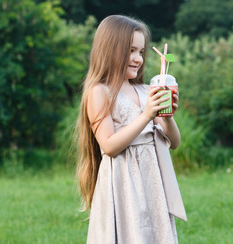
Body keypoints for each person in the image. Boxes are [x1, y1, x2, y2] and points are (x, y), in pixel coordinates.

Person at [75, 15, 186, 244]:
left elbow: (174, 143)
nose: (138, 59)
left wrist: (168, 118)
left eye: (142, 52)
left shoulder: (147, 89)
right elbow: (109, 146)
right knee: (130, 233)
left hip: (152, 180)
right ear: (110, 50)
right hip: (123, 182)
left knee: (153, 233)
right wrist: (146, 114)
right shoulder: (100, 91)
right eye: (131, 50)